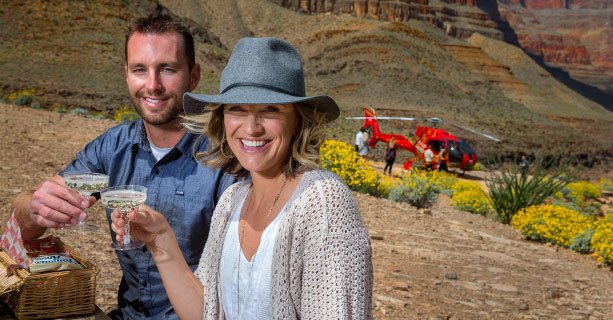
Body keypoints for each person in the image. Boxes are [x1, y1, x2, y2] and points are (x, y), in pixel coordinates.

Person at [111, 37, 373, 319]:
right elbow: (204, 311)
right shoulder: (233, 200)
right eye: (237, 108)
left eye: (270, 110)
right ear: (222, 119)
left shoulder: (323, 203)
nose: (252, 127)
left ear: (298, 120)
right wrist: (159, 236)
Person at [10, 14, 236, 319]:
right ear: (126, 74)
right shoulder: (112, 146)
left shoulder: (225, 159)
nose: (153, 85)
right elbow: (26, 216)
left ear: (193, 77)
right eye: (140, 69)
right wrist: (37, 207)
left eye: (167, 69)